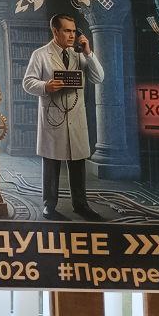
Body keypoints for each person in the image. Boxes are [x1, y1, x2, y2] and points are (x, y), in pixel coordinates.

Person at [22, 13, 104, 220]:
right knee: (51, 163)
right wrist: (46, 86)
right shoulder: (40, 54)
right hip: (53, 117)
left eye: (74, 31)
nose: (72, 35)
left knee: (77, 163)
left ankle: (81, 205)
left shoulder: (79, 55)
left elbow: (98, 77)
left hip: (76, 118)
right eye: (67, 31)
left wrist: (88, 52)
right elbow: (27, 82)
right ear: (55, 31)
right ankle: (49, 205)